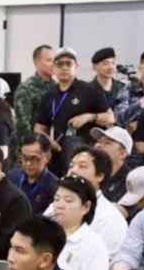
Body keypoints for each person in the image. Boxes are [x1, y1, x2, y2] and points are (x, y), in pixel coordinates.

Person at [34, 47, 114, 175]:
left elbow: (110, 118)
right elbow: (40, 128)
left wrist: (89, 117)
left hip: (85, 155)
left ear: (76, 66)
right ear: (54, 68)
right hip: (58, 154)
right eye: (60, 64)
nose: (64, 68)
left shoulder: (90, 90)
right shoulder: (49, 95)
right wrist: (48, 141)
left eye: (68, 64)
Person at [47, 175, 111, 270]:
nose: (59, 205)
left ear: (86, 207)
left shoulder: (95, 245)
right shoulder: (43, 233)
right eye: (56, 199)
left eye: (68, 201)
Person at [59, 146, 129, 259]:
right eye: (71, 166)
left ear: (100, 176)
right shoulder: (56, 204)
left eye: (82, 166)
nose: (73, 171)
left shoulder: (111, 218)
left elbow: (102, 261)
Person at [13, 45, 56, 160]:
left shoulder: (56, 87)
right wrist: (32, 148)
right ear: (36, 62)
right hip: (31, 149)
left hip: (52, 147)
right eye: (49, 60)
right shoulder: (26, 88)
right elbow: (23, 125)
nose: (53, 64)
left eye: (54, 60)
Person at [9, 133, 59, 215]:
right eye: (24, 158)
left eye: (34, 158)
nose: (28, 163)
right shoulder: (12, 177)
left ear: (47, 157)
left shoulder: (55, 187)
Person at [90, 48, 132, 125]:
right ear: (94, 67)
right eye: (105, 63)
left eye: (113, 63)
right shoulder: (87, 89)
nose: (111, 67)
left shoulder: (123, 88)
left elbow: (125, 115)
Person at [93, 126, 134, 205]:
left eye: (107, 143)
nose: (98, 145)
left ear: (122, 153)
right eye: (99, 141)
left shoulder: (130, 182)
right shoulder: (88, 172)